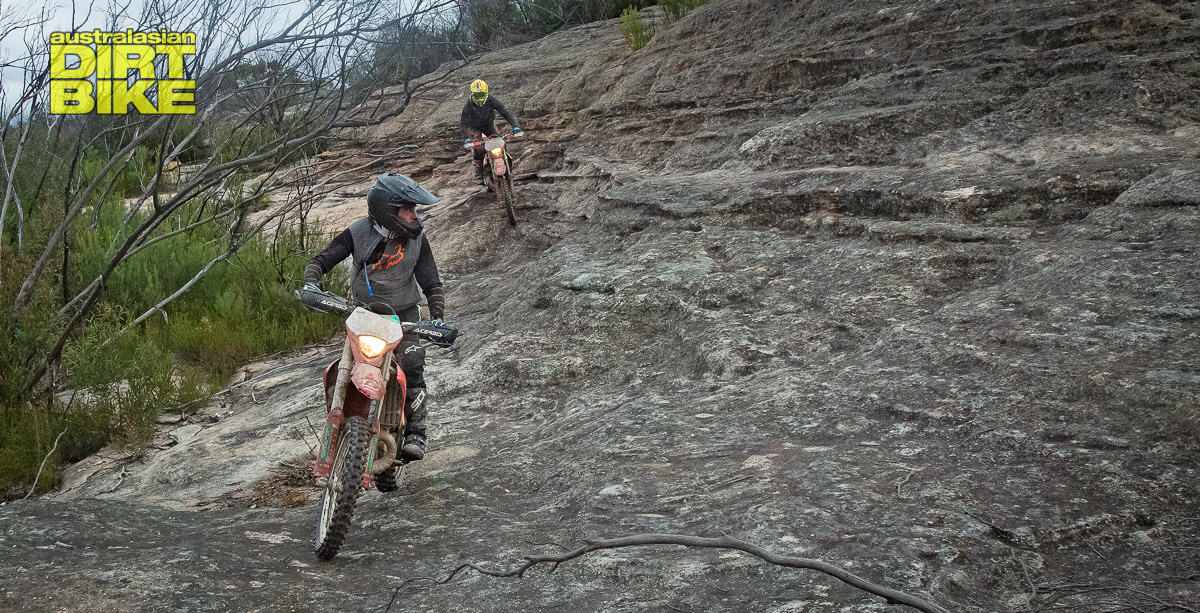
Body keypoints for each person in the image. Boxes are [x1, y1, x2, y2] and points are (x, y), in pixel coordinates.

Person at [301, 173, 445, 462]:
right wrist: (311, 284)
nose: (413, 216)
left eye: (414, 209)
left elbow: (431, 282)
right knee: (346, 366)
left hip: (403, 316)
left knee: (413, 360)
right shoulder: (359, 232)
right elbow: (322, 260)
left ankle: (417, 431)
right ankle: (342, 424)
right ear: (387, 209)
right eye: (407, 209)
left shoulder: (418, 241)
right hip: (363, 315)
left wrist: (437, 318)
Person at [460, 79, 522, 185]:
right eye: (476, 95)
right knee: (478, 148)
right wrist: (467, 138)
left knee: (501, 143)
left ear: (486, 93)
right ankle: (479, 173)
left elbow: (504, 112)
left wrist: (515, 127)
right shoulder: (468, 106)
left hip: (489, 125)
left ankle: (507, 167)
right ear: (471, 95)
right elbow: (463, 124)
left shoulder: (491, 100)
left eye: (481, 94)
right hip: (475, 129)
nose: (479, 98)